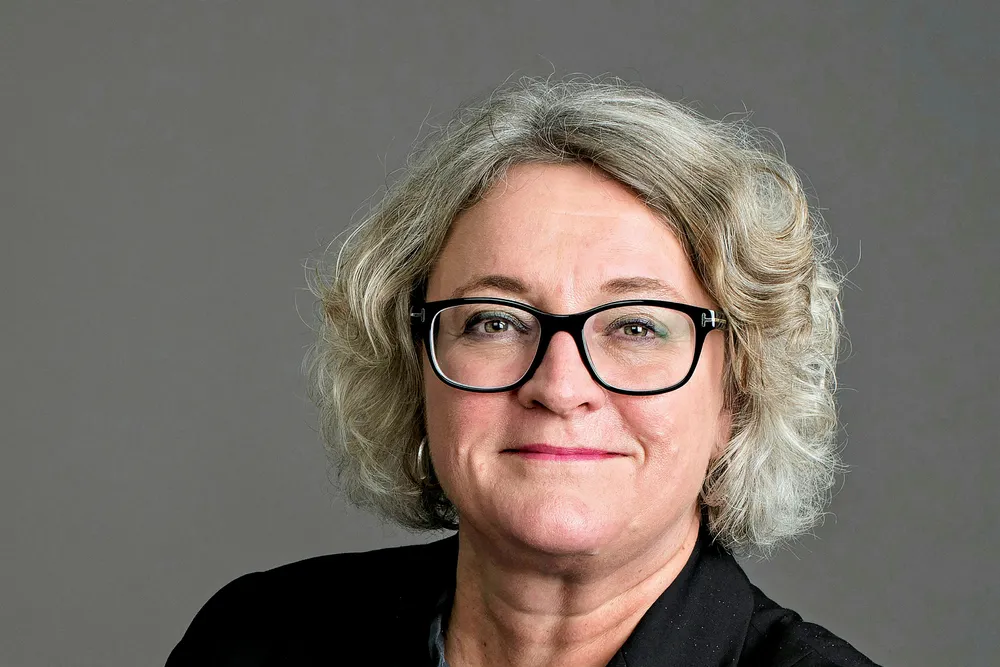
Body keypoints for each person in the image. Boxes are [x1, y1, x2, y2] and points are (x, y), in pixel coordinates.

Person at [166, 76, 878, 666]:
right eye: (495, 322)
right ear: (415, 365)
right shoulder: (254, 640)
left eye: (636, 326)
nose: (561, 387)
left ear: (738, 392)